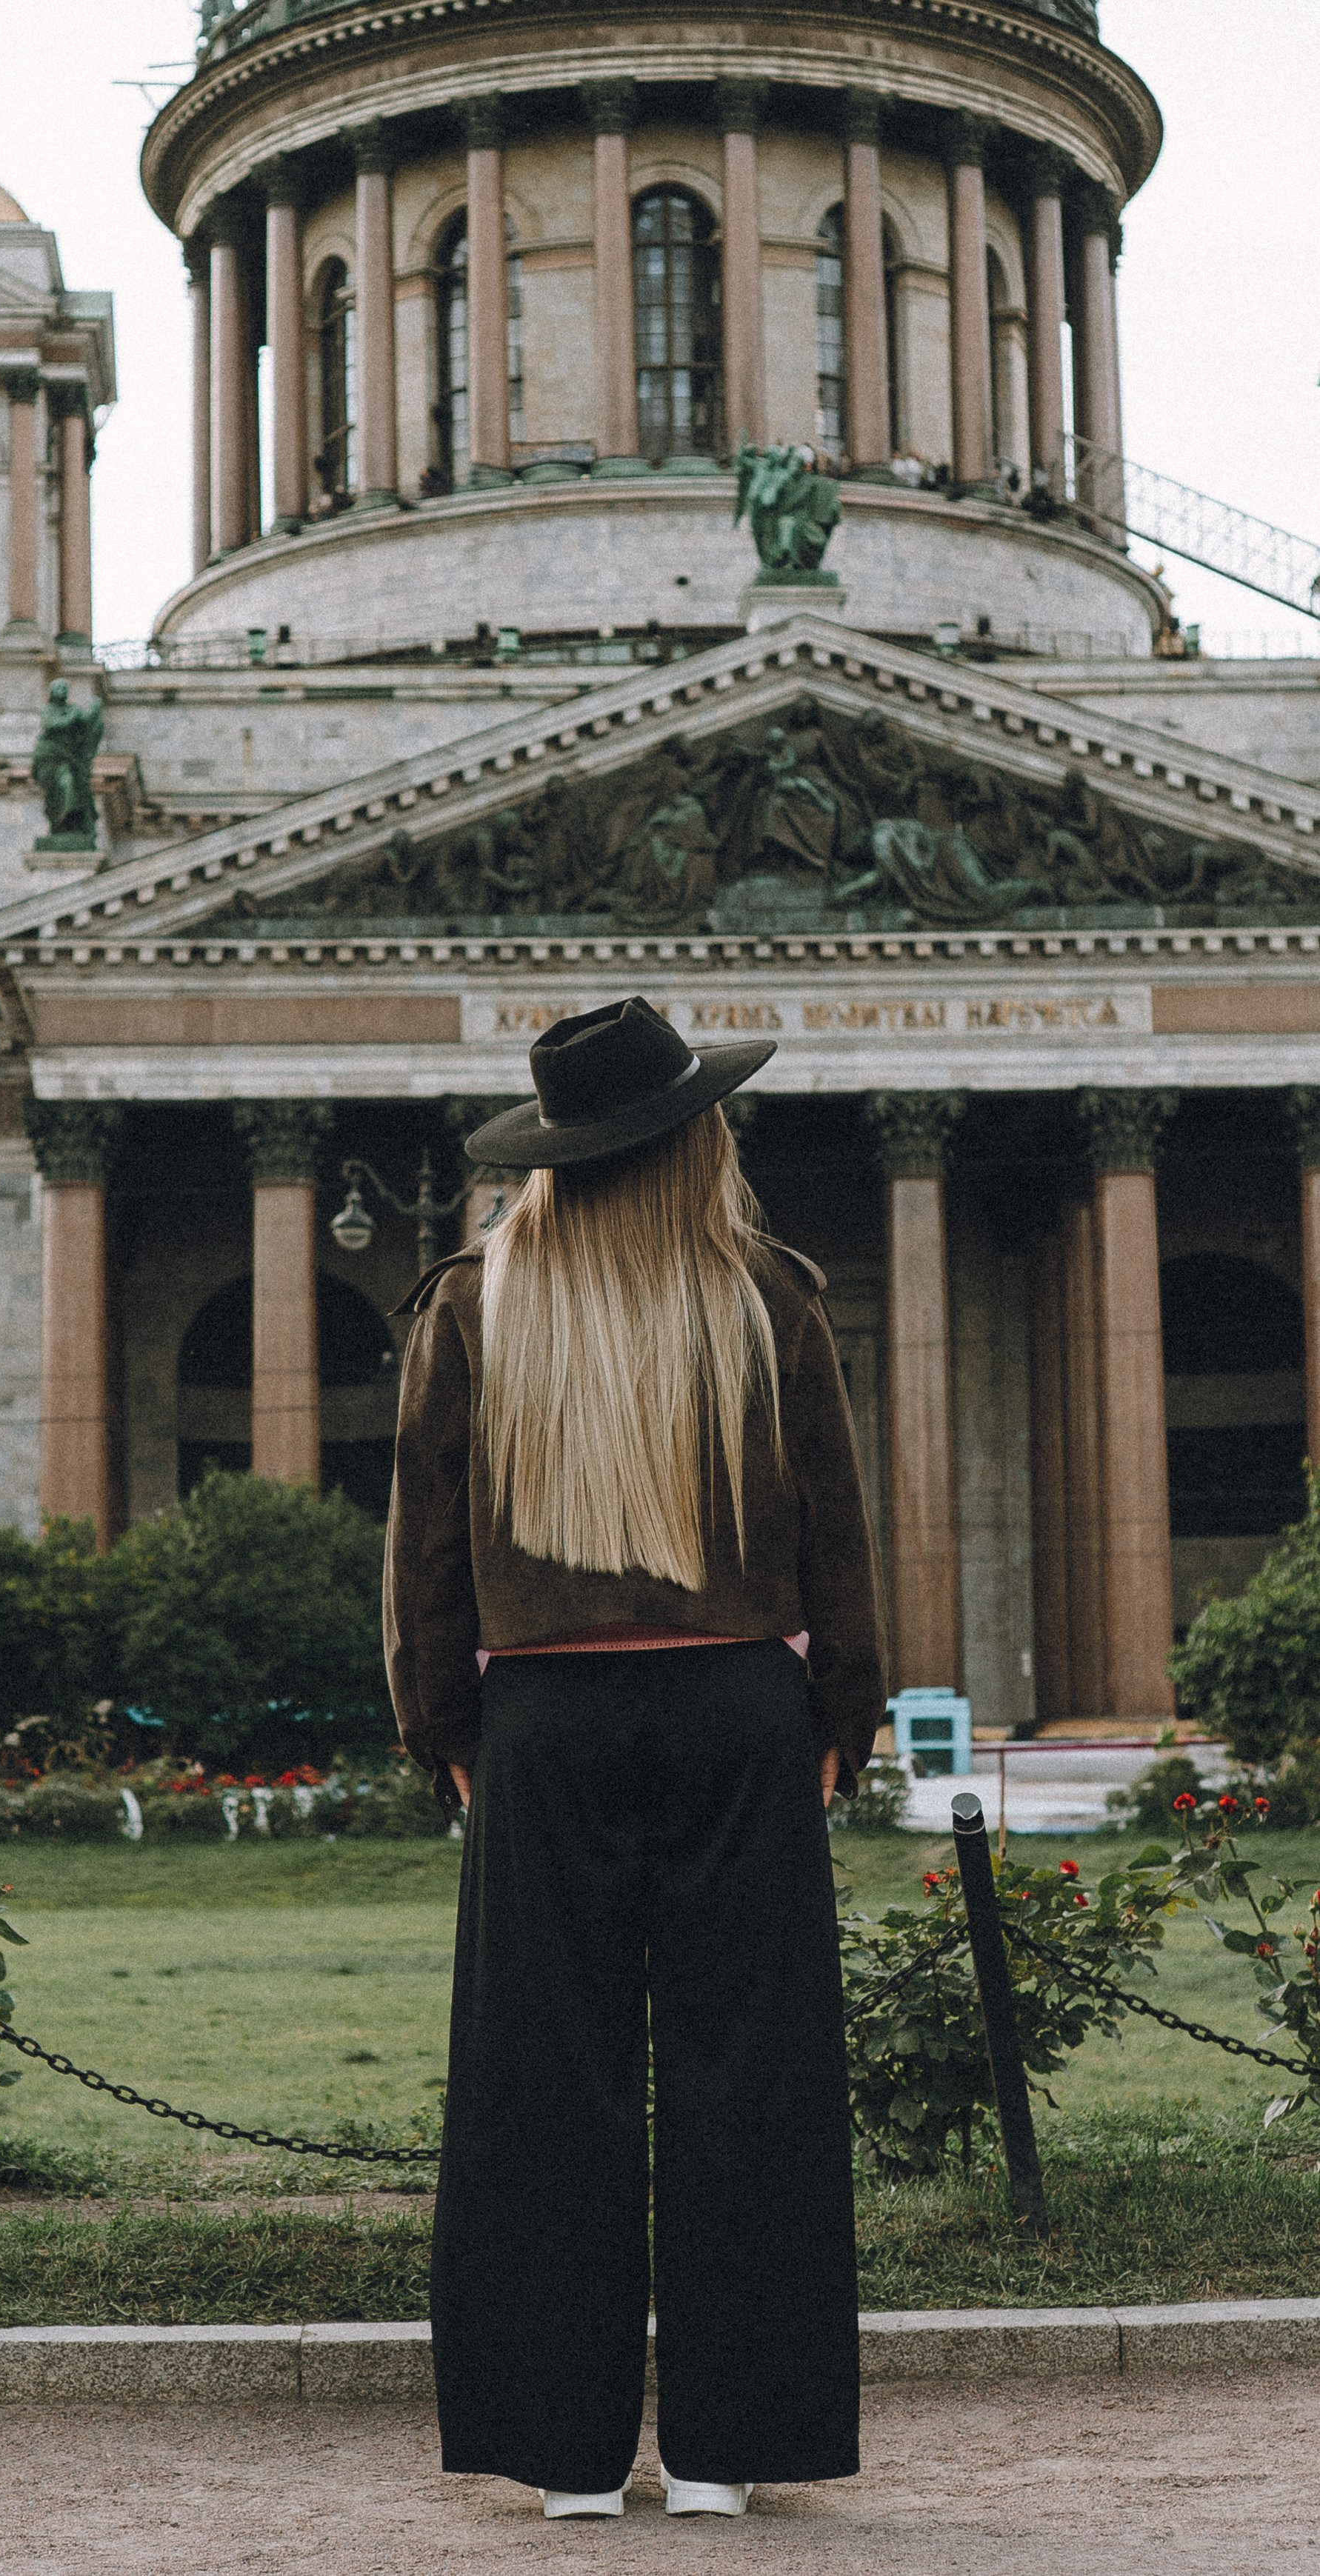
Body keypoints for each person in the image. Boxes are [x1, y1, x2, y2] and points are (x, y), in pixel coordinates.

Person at [384, 995, 887, 2521]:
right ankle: (736, 2443)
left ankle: (567, 2453)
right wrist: (837, 1722)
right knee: (755, 2075)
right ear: (690, 1137)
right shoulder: (763, 1295)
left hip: (543, 1720)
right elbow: (835, 1537)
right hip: (739, 1705)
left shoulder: (472, 1302)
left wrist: (448, 1735)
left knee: (542, 2084)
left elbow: (421, 1558)